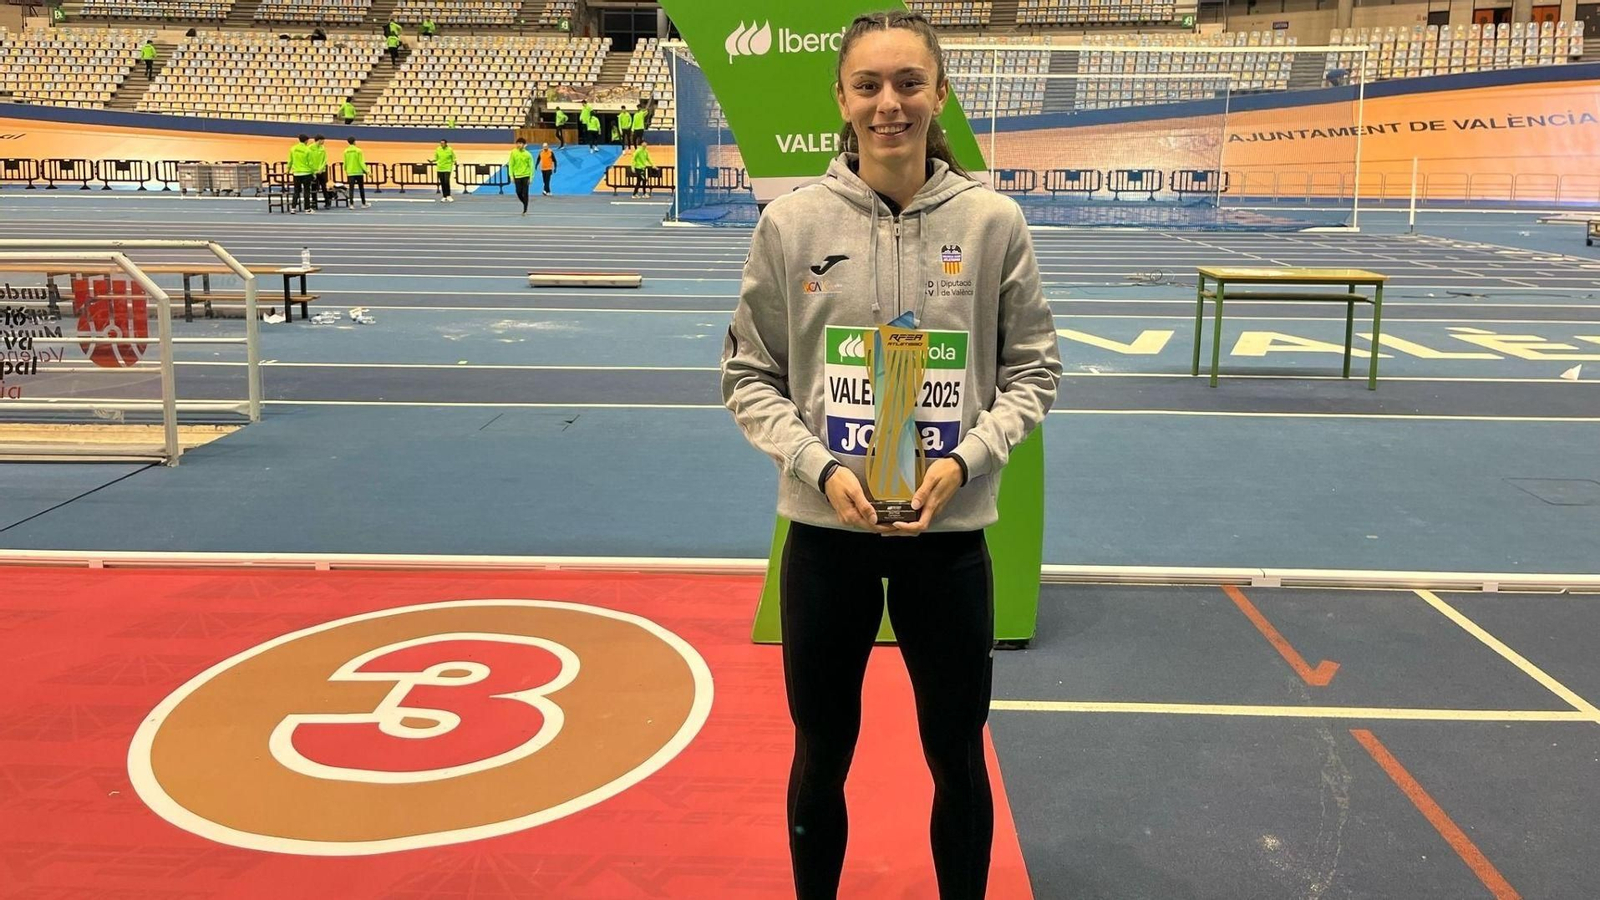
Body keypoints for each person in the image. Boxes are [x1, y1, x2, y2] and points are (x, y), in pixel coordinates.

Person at [718, 11, 1061, 900]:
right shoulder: (791, 224)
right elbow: (749, 374)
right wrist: (817, 467)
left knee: (956, 754)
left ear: (939, 94)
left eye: (909, 82)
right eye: (868, 85)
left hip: (947, 541)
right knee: (821, 753)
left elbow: (1034, 369)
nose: (889, 104)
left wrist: (972, 455)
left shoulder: (993, 223)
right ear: (841, 99)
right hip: (827, 538)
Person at [287, 133, 315, 214]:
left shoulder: (293, 149)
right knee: (306, 191)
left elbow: (290, 160)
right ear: (306, 141)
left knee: (296, 191)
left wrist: (288, 169)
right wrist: (313, 173)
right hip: (306, 173)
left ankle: (293, 208)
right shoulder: (308, 150)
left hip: (296, 173)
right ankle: (307, 209)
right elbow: (311, 163)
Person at [508, 137, 534, 215]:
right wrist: (511, 176)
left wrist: (531, 177)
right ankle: (524, 202)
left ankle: (525, 209)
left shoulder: (528, 154)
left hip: (526, 176)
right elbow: (511, 164)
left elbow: (531, 166)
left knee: (525, 193)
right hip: (517, 176)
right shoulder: (513, 152)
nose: (518, 145)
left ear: (524, 145)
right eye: (517, 143)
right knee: (518, 192)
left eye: (520, 143)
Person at [344, 136, 370, 208]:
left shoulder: (346, 151)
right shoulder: (358, 150)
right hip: (358, 172)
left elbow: (345, 162)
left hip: (350, 172)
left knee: (351, 189)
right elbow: (361, 162)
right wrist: (367, 171)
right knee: (361, 188)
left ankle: (351, 204)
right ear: (354, 142)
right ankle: (363, 203)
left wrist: (346, 169)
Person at [309, 134, 331, 209]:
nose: (323, 142)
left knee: (324, 187)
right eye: (323, 140)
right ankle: (314, 202)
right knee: (313, 188)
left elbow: (325, 159)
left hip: (322, 171)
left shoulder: (323, 148)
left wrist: (321, 169)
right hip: (313, 171)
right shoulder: (310, 148)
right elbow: (309, 160)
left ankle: (327, 202)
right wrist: (313, 170)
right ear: (319, 140)